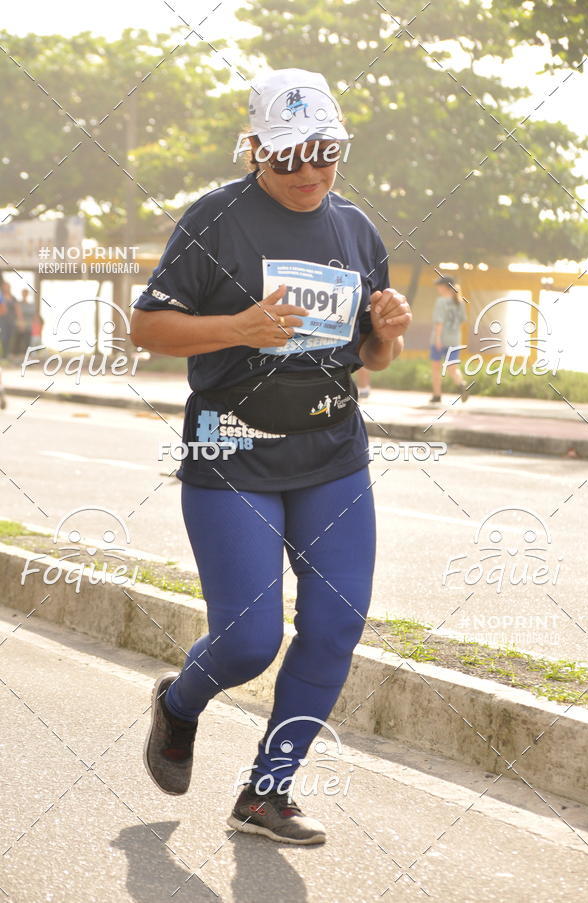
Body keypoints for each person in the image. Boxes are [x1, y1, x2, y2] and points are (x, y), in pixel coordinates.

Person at [131, 68, 412, 845]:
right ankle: (180, 703)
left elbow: (371, 359)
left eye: (325, 153)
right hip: (232, 448)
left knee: (333, 627)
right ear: (256, 149)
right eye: (289, 156)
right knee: (250, 639)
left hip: (332, 455)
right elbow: (148, 329)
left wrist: (386, 332)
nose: (310, 172)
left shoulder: (356, 229)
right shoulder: (215, 219)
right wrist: (239, 327)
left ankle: (267, 790)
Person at [429, 276, 468, 403]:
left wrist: (438, 338)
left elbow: (439, 322)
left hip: (440, 339)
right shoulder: (460, 302)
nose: (437, 288)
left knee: (436, 367)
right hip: (455, 339)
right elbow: (462, 320)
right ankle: (461, 384)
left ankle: (437, 395)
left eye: (439, 286)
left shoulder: (441, 301)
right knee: (453, 367)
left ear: (445, 287)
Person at [13, 288, 35, 357]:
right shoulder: (18, 304)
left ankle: (26, 356)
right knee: (18, 340)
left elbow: (33, 316)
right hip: (20, 325)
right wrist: (21, 324)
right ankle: (16, 355)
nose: (25, 294)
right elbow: (19, 314)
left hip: (29, 326)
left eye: (26, 293)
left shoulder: (31, 304)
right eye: (24, 293)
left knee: (27, 341)